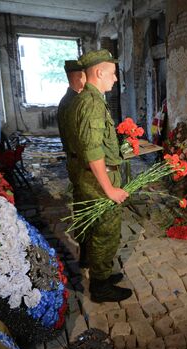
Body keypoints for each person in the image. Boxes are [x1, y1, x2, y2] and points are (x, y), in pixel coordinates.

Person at [66, 49, 131, 302]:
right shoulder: (92, 103)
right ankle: (101, 287)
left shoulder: (84, 99)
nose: (115, 79)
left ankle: (100, 271)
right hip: (97, 180)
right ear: (100, 72)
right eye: (113, 74)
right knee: (106, 231)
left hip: (86, 178)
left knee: (94, 229)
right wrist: (110, 189)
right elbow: (93, 152)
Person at [57, 60, 89, 267]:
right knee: (85, 209)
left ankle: (87, 254)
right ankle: (87, 256)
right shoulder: (72, 103)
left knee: (83, 207)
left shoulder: (70, 100)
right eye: (86, 75)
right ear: (79, 77)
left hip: (76, 163)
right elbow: (80, 142)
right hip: (80, 165)